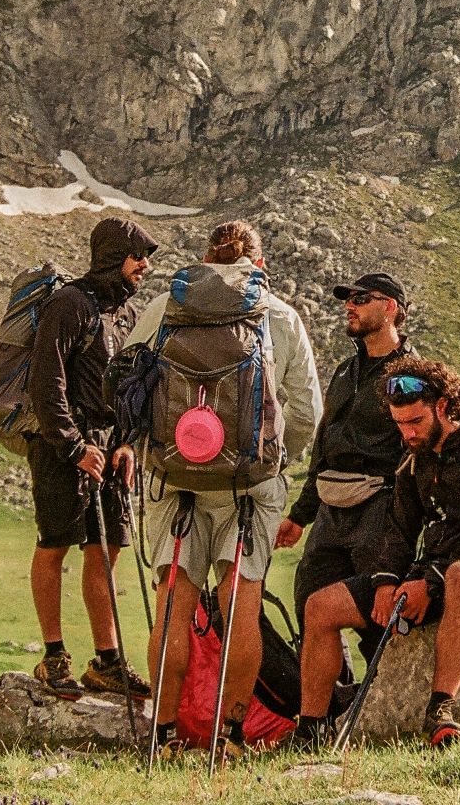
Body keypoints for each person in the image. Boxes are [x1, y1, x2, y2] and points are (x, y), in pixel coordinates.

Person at [127, 220, 322, 756]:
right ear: (258, 264)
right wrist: (277, 461)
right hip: (250, 487)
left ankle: (163, 735)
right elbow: (307, 410)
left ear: (208, 260)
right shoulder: (278, 315)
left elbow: (126, 385)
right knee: (241, 604)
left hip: (173, 479)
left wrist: (151, 449)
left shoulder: (166, 308)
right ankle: (232, 736)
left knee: (174, 603)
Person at [295, 358, 460, 750]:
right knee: (320, 607)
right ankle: (309, 732)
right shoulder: (414, 460)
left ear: (441, 406)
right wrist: (385, 583)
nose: (408, 433)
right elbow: (399, 532)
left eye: (415, 422)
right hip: (431, 577)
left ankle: (441, 712)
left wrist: (431, 583)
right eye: (400, 424)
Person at [25, 216, 159, 701]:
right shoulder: (68, 306)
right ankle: (54, 655)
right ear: (112, 256)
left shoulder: (121, 314)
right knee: (55, 543)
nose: (144, 265)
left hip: (107, 446)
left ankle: (106, 663)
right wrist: (73, 446)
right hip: (65, 447)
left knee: (107, 550)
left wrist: (125, 443)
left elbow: (126, 386)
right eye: (137, 255)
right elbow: (48, 382)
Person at [274, 272, 415, 641]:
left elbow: (418, 450)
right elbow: (324, 446)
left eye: (361, 298)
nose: (349, 306)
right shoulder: (345, 371)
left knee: (376, 622)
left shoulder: (412, 375)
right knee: (309, 606)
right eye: (347, 299)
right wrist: (300, 516)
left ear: (390, 307)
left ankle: (382, 696)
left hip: (379, 509)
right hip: (329, 512)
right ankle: (337, 696)